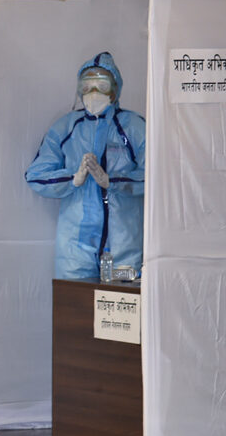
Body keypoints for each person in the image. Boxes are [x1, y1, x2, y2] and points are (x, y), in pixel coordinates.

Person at [25, 51, 145, 280]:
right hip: (75, 247)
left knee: (119, 309)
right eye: (87, 86)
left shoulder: (134, 127)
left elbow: (157, 176)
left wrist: (114, 181)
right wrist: (73, 179)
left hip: (124, 244)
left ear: (115, 88)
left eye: (101, 85)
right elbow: (36, 175)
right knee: (74, 308)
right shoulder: (66, 127)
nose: (93, 93)